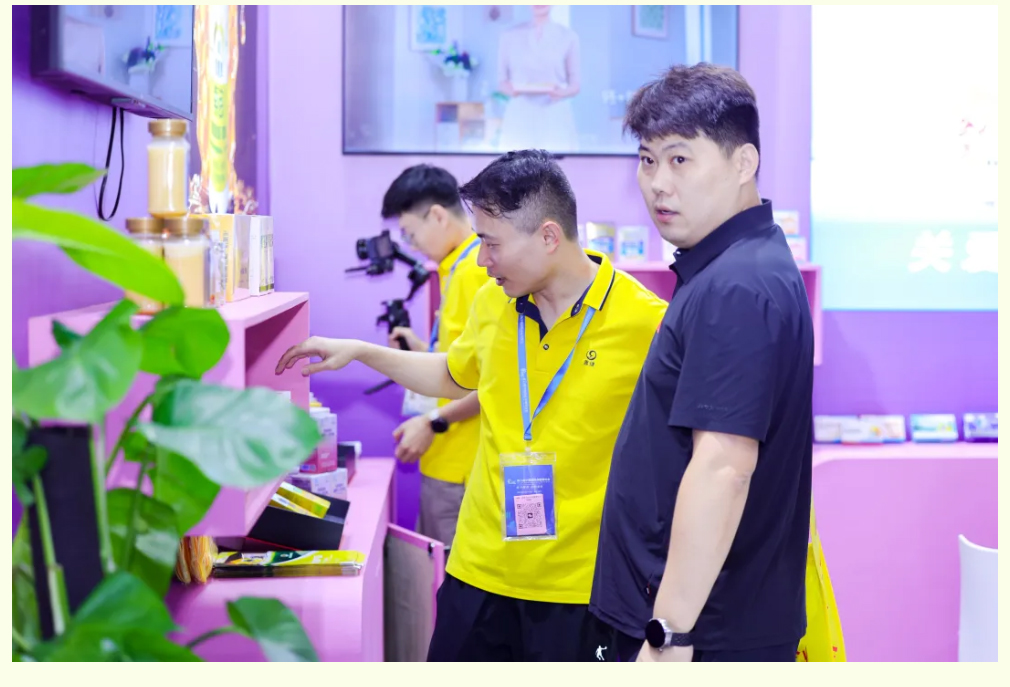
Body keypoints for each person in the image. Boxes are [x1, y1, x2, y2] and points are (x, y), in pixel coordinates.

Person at [276, 150, 667, 661]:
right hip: (478, 570)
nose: (482, 260)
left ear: (549, 236)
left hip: (580, 586)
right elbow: (452, 374)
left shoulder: (647, 323)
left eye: (492, 243)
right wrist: (362, 352)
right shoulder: (492, 302)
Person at [583, 63, 815, 662]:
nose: (658, 183)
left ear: (743, 163)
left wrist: (669, 634)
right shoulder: (733, 265)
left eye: (680, 159)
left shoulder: (736, 285)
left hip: (702, 632)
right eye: (647, 160)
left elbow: (723, 468)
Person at [379, 164, 489, 550]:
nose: (411, 246)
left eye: (410, 234)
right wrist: (424, 351)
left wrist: (433, 422)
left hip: (462, 465)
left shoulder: (476, 272)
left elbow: (493, 381)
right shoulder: (456, 267)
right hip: (448, 460)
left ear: (438, 216)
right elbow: (462, 365)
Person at [497, 5, 581, 152]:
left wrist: (561, 93)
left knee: (555, 162)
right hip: (520, 113)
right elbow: (502, 81)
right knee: (516, 161)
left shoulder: (568, 36)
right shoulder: (509, 36)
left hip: (554, 113)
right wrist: (512, 90)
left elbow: (575, 85)